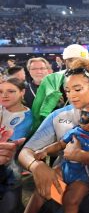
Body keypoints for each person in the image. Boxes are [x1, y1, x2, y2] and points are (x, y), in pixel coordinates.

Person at [19, 58, 89, 213]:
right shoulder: (58, 116)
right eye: (67, 90)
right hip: (63, 185)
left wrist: (83, 156)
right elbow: (26, 151)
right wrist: (36, 166)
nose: (71, 95)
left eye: (77, 89)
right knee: (44, 196)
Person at [26, 102, 89, 213]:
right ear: (80, 117)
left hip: (85, 175)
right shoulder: (75, 131)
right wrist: (45, 151)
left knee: (71, 200)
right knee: (43, 188)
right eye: (86, 118)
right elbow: (60, 144)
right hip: (65, 167)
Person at [31, 44, 89, 131]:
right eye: (72, 60)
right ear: (65, 61)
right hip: (53, 127)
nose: (77, 63)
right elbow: (37, 110)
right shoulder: (51, 80)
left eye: (81, 60)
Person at [0, 77, 33, 213]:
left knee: (10, 208)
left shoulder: (26, 117)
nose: (4, 95)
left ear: (22, 92)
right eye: (1, 92)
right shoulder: (2, 109)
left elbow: (7, 144)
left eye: (11, 91)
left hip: (10, 175)